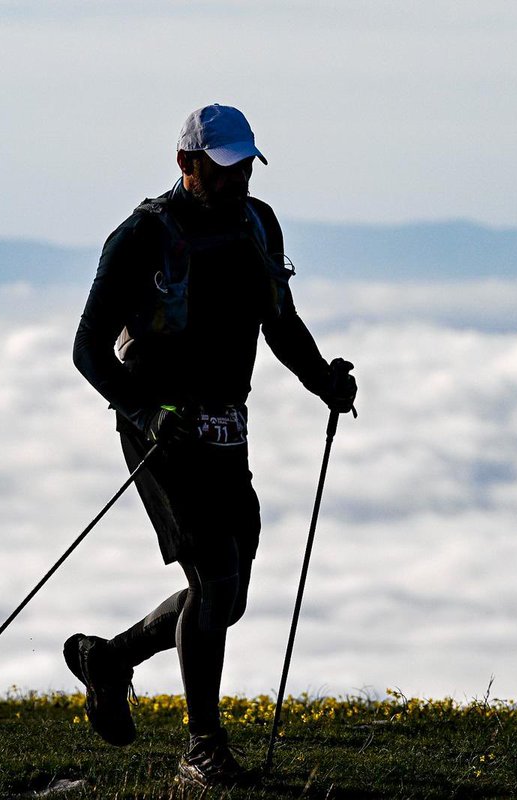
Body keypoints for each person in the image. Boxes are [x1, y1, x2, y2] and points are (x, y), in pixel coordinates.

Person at [68, 103, 357, 786]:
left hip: (227, 427)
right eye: (224, 169)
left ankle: (108, 659)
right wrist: (143, 410)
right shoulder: (139, 238)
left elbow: (279, 322)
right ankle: (203, 748)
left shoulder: (257, 225)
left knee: (225, 596)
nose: (238, 182)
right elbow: (87, 351)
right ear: (187, 165)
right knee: (216, 577)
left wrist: (325, 381)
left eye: (245, 167)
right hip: (160, 433)